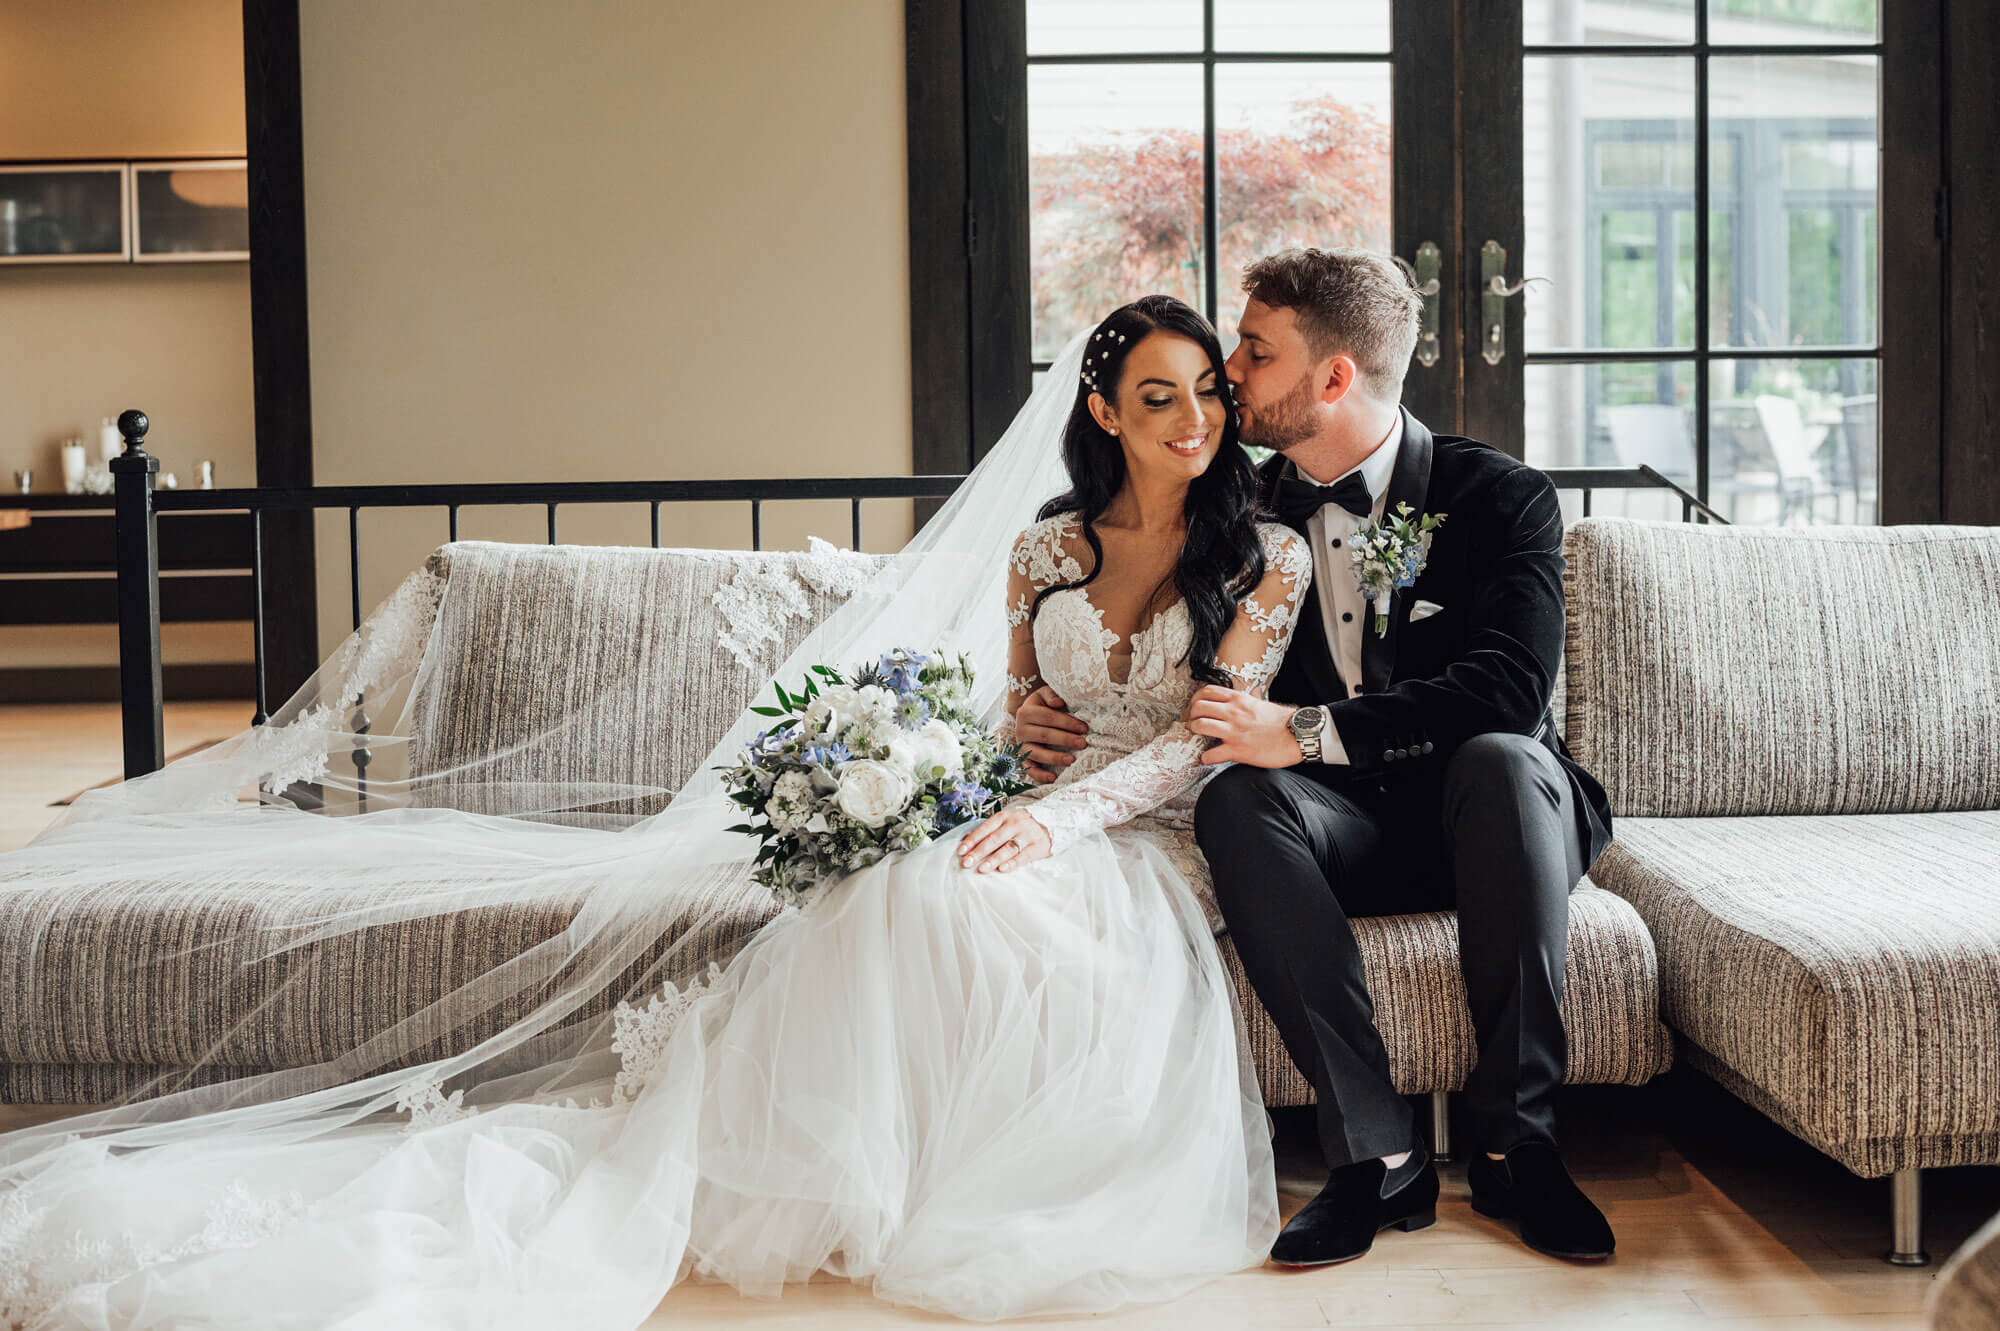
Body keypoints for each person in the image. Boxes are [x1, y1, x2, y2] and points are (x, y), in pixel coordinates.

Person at [0, 296, 1309, 1328]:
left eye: (1206, 391)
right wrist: (1011, 755)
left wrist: (1056, 823)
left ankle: (978, 1182)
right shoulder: (1043, 547)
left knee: (965, 888)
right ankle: (858, 1173)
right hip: (1033, 812)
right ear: (1104, 406)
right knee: (889, 879)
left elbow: (1205, 746)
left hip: (1150, 835)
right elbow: (1022, 710)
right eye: (1159, 394)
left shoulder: (1268, 553)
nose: (1194, 415)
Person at [1013, 249, 1618, 1268]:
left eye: (1252, 353)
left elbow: (1508, 688)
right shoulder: (1234, 512)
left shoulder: (1498, 495)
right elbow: (1140, 638)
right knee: (1237, 804)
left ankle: (1519, 1143)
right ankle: (1375, 1156)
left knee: (1505, 760)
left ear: (1332, 378)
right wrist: (1038, 702)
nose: (1229, 375)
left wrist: (1300, 730)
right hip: (1342, 826)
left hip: (1495, 822)